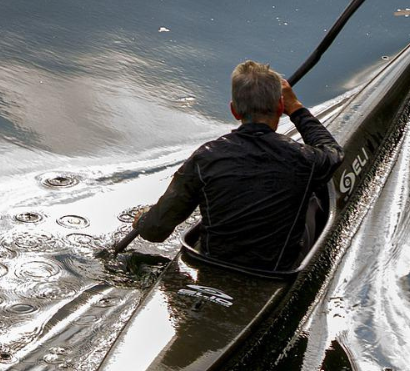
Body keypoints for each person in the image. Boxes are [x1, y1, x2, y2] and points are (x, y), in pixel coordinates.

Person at [130, 61, 344, 272]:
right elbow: (333, 153)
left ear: (234, 111)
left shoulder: (205, 158)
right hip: (274, 271)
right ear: (280, 107)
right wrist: (296, 108)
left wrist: (143, 220)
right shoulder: (303, 158)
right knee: (315, 195)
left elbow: (154, 231)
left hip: (211, 265)